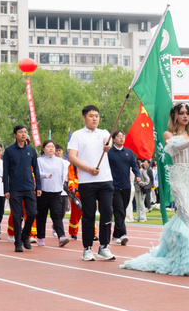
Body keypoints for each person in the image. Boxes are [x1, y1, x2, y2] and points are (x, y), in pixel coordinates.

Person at [121, 102, 189, 276]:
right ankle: (188, 256)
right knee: (187, 214)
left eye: (187, 113)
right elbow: (178, 146)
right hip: (179, 175)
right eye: (181, 113)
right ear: (175, 115)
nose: (185, 116)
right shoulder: (169, 134)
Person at [68, 105, 116, 261]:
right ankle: (87, 248)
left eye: (97, 115)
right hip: (87, 181)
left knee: (107, 212)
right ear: (84, 117)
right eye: (91, 116)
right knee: (88, 215)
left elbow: (107, 143)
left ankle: (104, 246)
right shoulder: (77, 135)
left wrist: (107, 146)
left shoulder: (104, 133)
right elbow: (72, 157)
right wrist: (88, 169)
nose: (95, 118)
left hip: (105, 180)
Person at [3, 125, 41, 253]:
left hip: (29, 188)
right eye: (20, 132)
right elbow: (5, 171)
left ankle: (25, 236)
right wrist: (6, 189)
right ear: (15, 135)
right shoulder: (9, 151)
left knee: (32, 213)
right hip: (15, 189)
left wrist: (38, 187)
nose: (23, 134)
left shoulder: (31, 150)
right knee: (17, 216)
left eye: (25, 132)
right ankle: (18, 242)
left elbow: (36, 169)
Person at [106, 129, 140, 246]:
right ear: (114, 139)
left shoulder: (129, 152)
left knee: (122, 212)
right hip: (114, 187)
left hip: (126, 186)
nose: (122, 138)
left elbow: (134, 166)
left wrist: (138, 176)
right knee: (119, 210)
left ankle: (116, 235)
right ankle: (123, 234)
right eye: (119, 136)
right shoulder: (109, 152)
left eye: (123, 136)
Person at [36, 139, 70, 247]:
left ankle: (61, 236)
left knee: (57, 215)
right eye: (49, 146)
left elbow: (62, 176)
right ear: (43, 149)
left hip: (56, 191)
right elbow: (37, 173)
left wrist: (61, 187)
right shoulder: (39, 161)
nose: (51, 148)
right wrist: (45, 175)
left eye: (53, 147)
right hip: (43, 191)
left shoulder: (60, 161)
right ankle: (41, 237)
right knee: (42, 215)